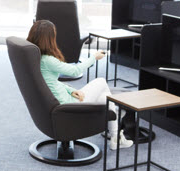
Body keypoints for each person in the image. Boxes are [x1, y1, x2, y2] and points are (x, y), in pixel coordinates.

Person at [27, 20, 133, 150]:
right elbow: (75, 71)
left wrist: (70, 90)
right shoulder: (48, 60)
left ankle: (115, 137)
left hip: (64, 98)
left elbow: (49, 82)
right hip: (67, 105)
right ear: (49, 38)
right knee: (101, 82)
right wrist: (94, 57)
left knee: (106, 96)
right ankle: (116, 134)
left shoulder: (35, 57)